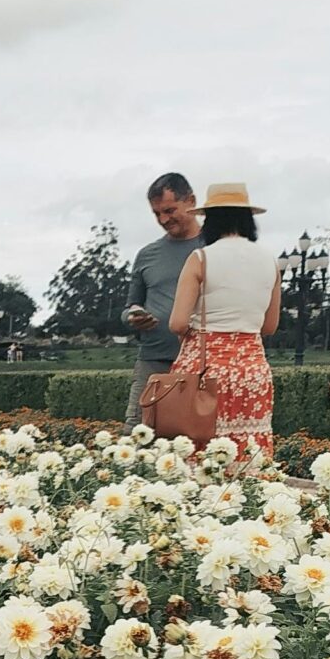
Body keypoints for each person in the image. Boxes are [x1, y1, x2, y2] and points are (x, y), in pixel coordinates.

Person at [161, 182, 280, 461]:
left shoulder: (200, 258)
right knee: (248, 454)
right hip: (252, 371)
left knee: (200, 452)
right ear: (248, 219)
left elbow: (178, 323)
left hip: (205, 371)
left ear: (210, 220)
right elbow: (269, 326)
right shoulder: (269, 261)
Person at [124, 172, 205, 427]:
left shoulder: (215, 248)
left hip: (203, 363)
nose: (163, 219)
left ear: (191, 201)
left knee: (197, 443)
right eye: (157, 213)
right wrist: (133, 316)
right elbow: (130, 305)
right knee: (137, 438)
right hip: (153, 360)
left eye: (169, 210)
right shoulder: (147, 255)